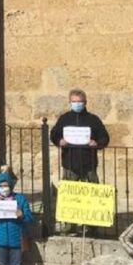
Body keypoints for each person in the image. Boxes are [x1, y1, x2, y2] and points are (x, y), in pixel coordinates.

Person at [50, 89, 109, 233]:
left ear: (85, 102)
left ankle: (92, 226)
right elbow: (54, 134)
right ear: (70, 102)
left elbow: (104, 137)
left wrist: (96, 143)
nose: (77, 104)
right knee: (69, 196)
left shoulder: (93, 120)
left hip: (89, 164)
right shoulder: (64, 119)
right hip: (70, 163)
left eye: (79, 101)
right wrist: (59, 141)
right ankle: (69, 225)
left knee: (92, 195)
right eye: (74, 101)